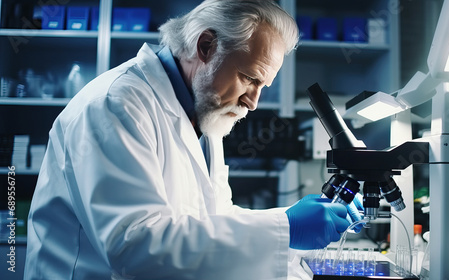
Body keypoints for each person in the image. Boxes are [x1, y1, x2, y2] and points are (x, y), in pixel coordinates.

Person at [24, 1, 359, 279]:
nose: (253, 102)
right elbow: (134, 246)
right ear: (206, 46)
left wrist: (293, 224)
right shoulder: (116, 104)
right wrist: (285, 227)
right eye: (249, 79)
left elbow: (212, 220)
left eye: (263, 86)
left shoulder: (203, 114)